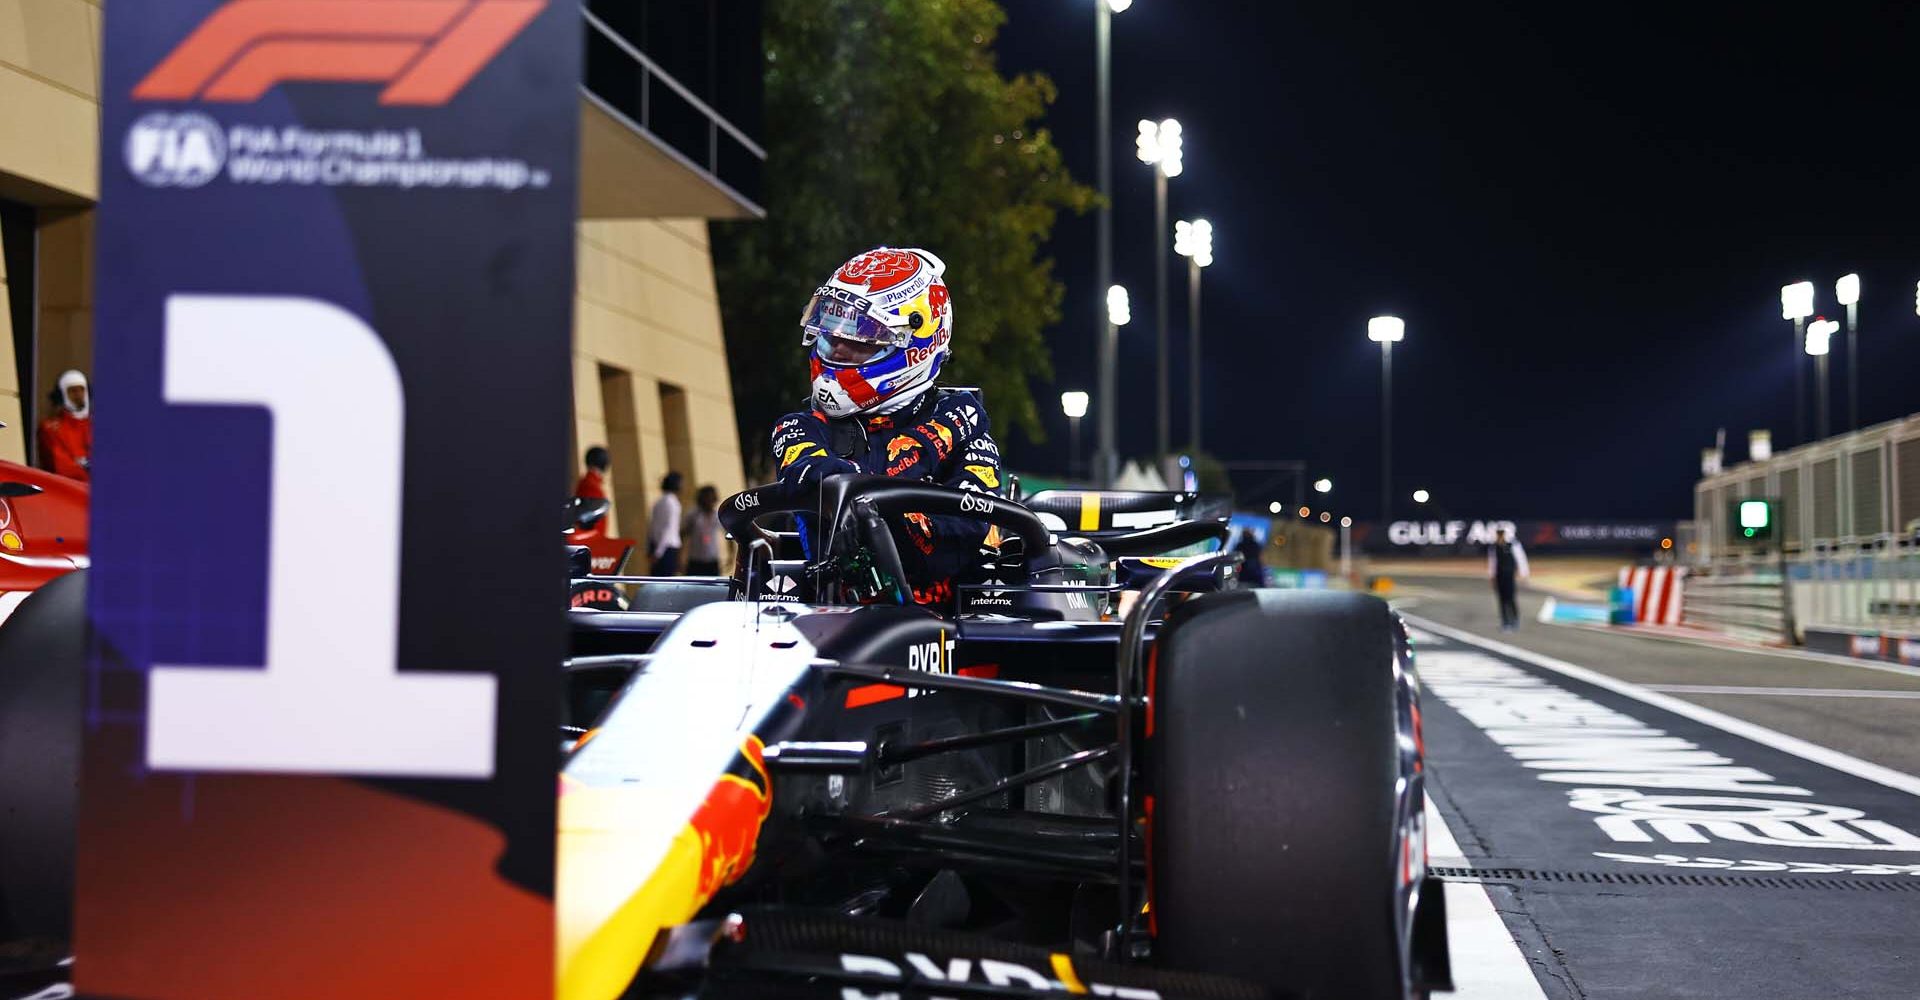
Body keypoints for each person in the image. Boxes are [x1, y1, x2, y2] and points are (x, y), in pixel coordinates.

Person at [770, 246, 1001, 604]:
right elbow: (814, 473)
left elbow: (955, 541)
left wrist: (878, 510)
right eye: (832, 335)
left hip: (948, 630)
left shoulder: (964, 425)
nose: (839, 350)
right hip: (831, 623)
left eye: (858, 340)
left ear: (917, 346)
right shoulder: (800, 428)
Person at [37, 369, 92, 482]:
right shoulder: (50, 429)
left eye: (81, 390)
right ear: (62, 395)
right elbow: (62, 468)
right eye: (72, 391)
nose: (78, 395)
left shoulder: (100, 426)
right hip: (68, 491)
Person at [1487, 526, 1530, 631]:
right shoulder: (1494, 547)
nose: (1500, 536)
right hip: (1499, 576)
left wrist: (1524, 573)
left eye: (1501, 533)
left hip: (1509, 576)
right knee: (1502, 600)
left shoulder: (1513, 545)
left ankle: (1515, 620)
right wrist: (1491, 576)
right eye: (1498, 533)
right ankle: (1505, 621)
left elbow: (1521, 559)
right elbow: (1492, 562)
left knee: (1510, 598)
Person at [682, 484, 724, 576]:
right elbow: (683, 534)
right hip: (695, 560)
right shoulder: (693, 515)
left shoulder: (717, 516)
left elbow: (728, 533)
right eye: (707, 498)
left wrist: (732, 554)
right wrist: (680, 558)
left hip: (712, 560)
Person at [648, 471, 684, 576]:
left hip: (658, 546)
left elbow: (652, 527)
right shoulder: (672, 503)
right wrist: (658, 553)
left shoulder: (659, 502)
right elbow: (668, 528)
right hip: (667, 549)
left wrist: (652, 549)